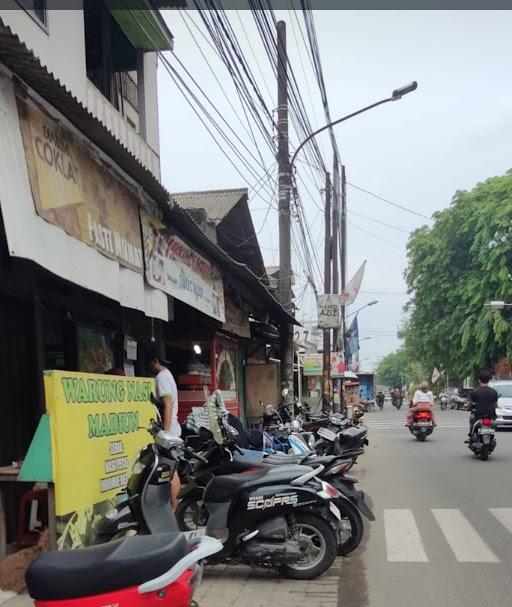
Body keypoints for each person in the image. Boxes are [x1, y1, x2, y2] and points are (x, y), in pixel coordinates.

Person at [147, 349, 181, 509]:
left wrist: (165, 433)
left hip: (169, 429)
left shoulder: (162, 377)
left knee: (171, 470)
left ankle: (175, 508)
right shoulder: (167, 375)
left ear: (155, 361)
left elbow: (167, 405)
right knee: (170, 469)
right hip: (171, 427)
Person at [467, 370, 498, 435]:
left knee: (471, 418)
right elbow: (496, 405)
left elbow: (470, 404)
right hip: (491, 416)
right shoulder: (494, 392)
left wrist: (468, 408)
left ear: (479, 380)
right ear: (489, 380)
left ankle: (471, 433)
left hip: (478, 416)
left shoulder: (475, 392)